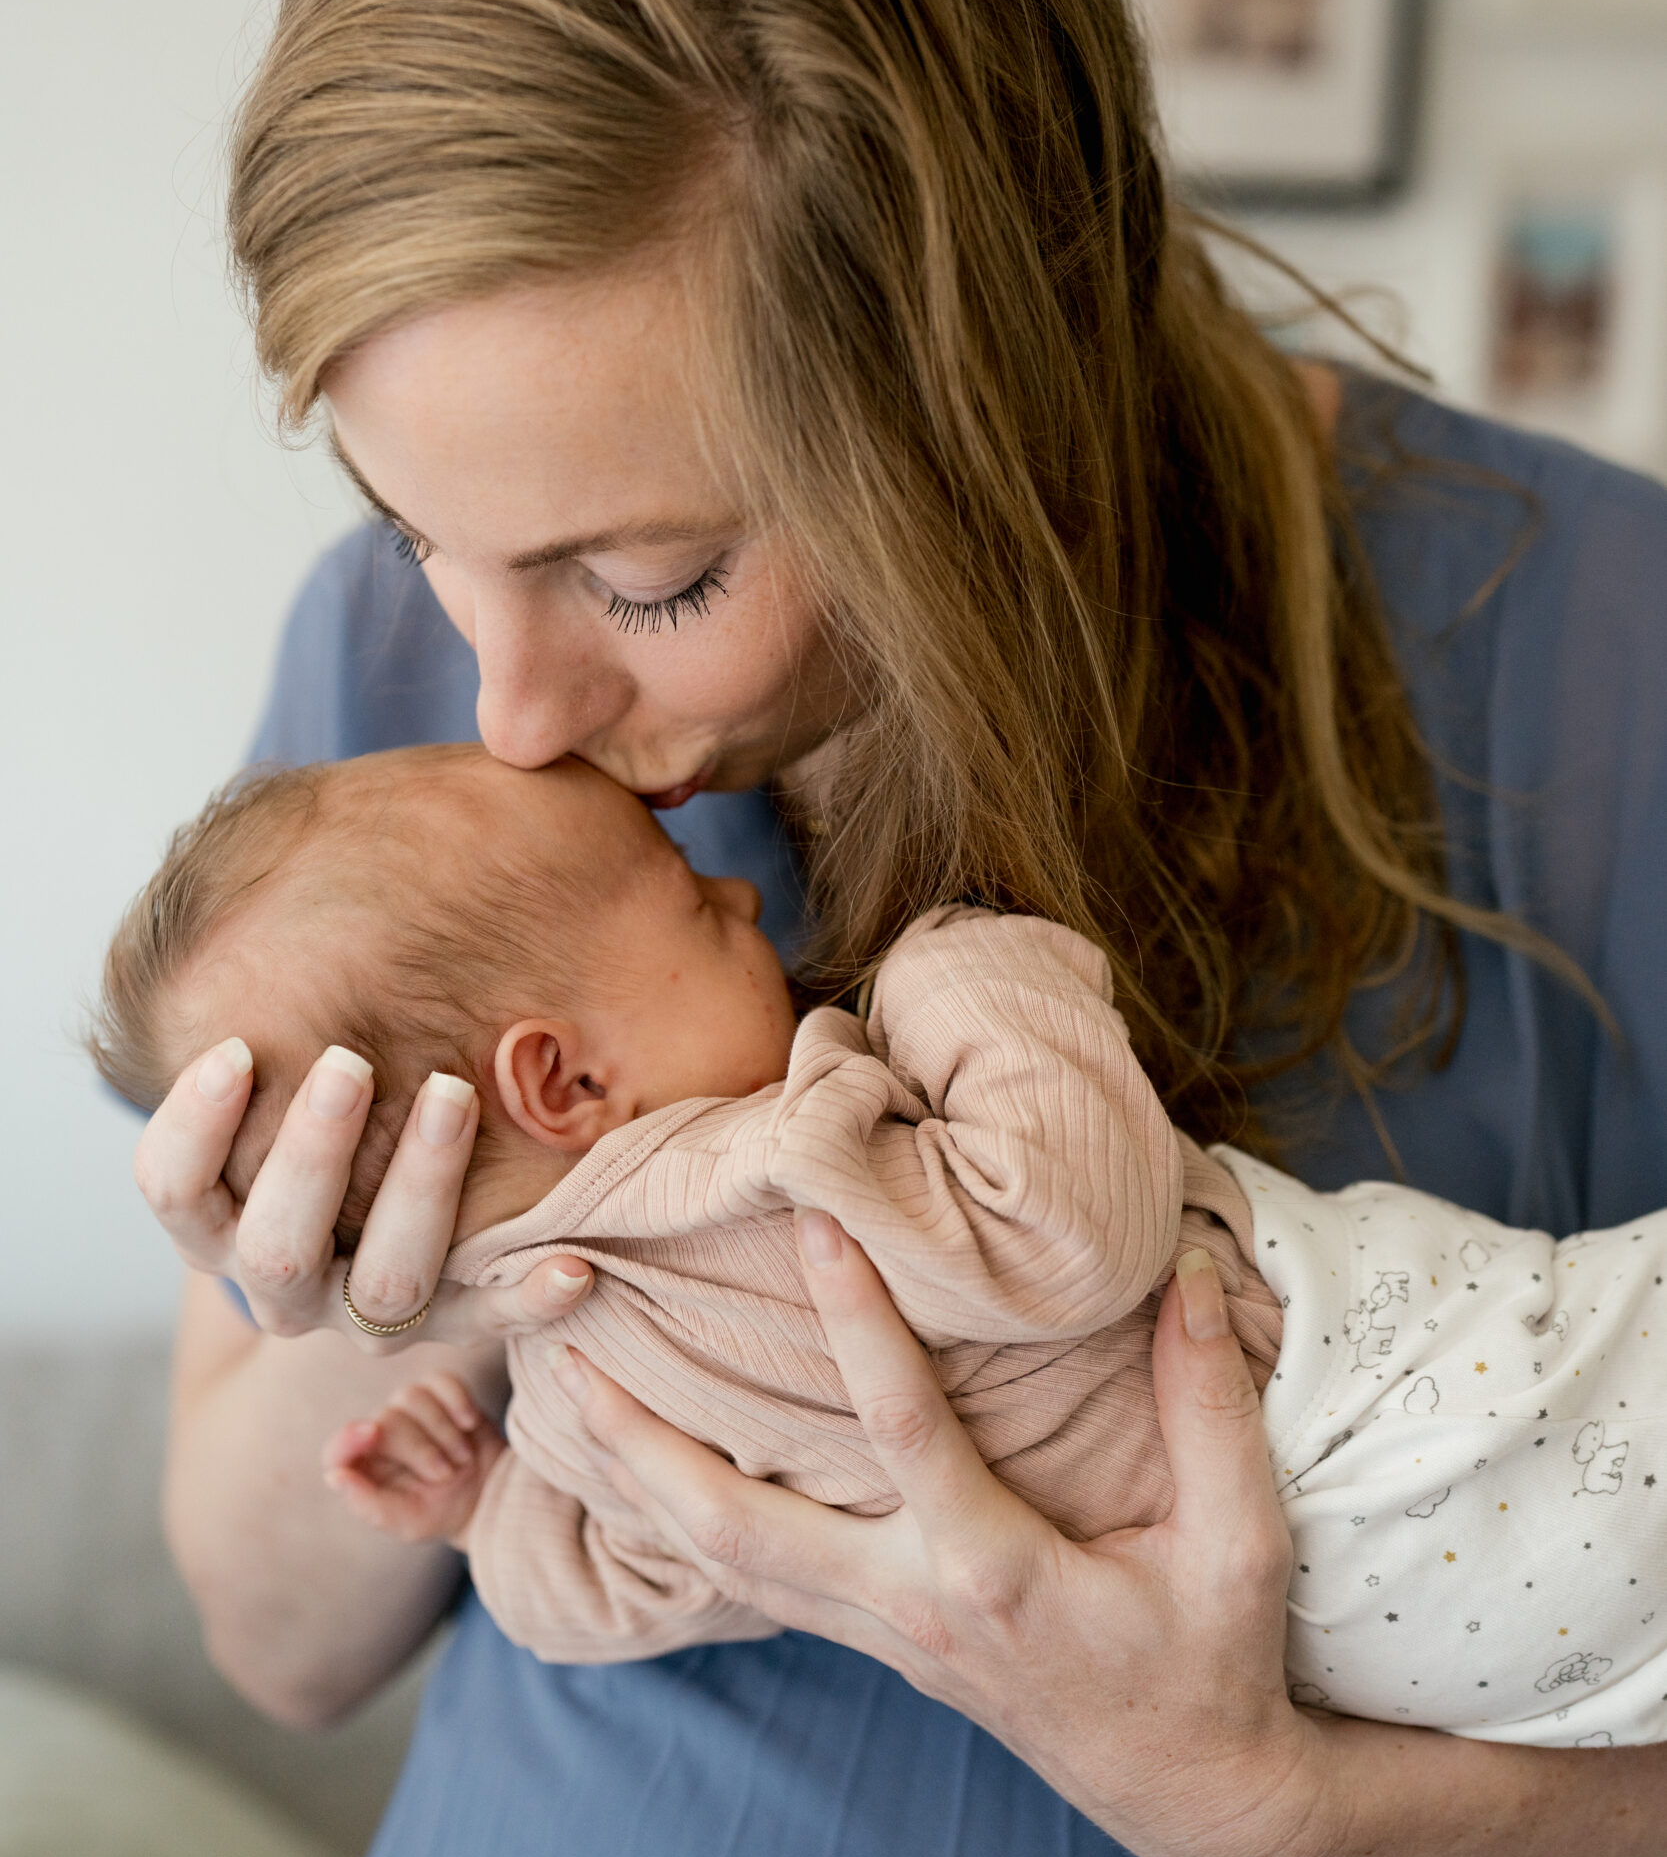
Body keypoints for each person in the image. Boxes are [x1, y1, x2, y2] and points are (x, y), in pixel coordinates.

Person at [129, 0, 1667, 1857]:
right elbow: (276, 1631)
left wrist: (1296, 1802)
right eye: (418, 530)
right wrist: (410, 1302)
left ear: (996, 385)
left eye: (650, 580)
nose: (515, 709)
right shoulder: (399, 712)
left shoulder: (1590, 647)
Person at [102, 741, 1667, 1743]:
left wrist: (485, 1509)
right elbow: (1064, 1230)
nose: (741, 894)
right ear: (564, 1079)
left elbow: (607, 1591)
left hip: (1387, 1651)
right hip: (1386, 1445)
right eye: (694, 908)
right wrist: (963, 965)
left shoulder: (580, 1395)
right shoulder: (781, 1166)